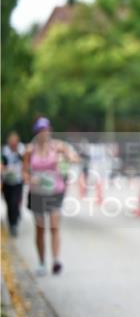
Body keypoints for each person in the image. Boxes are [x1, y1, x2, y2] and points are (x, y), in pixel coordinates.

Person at [23, 118, 78, 276]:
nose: (43, 133)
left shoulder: (58, 146)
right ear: (36, 132)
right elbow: (24, 171)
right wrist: (29, 178)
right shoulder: (29, 150)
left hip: (55, 191)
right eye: (40, 130)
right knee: (40, 229)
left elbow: (73, 157)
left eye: (45, 130)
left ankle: (56, 261)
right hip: (37, 193)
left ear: (50, 130)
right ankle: (41, 262)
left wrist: (69, 159)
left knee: (54, 226)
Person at [2, 131, 25, 237]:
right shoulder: (4, 151)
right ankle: (11, 221)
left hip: (18, 181)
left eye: (15, 142)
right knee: (9, 203)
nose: (13, 144)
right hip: (7, 181)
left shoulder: (22, 150)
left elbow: (26, 162)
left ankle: (14, 224)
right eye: (12, 143)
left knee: (14, 202)